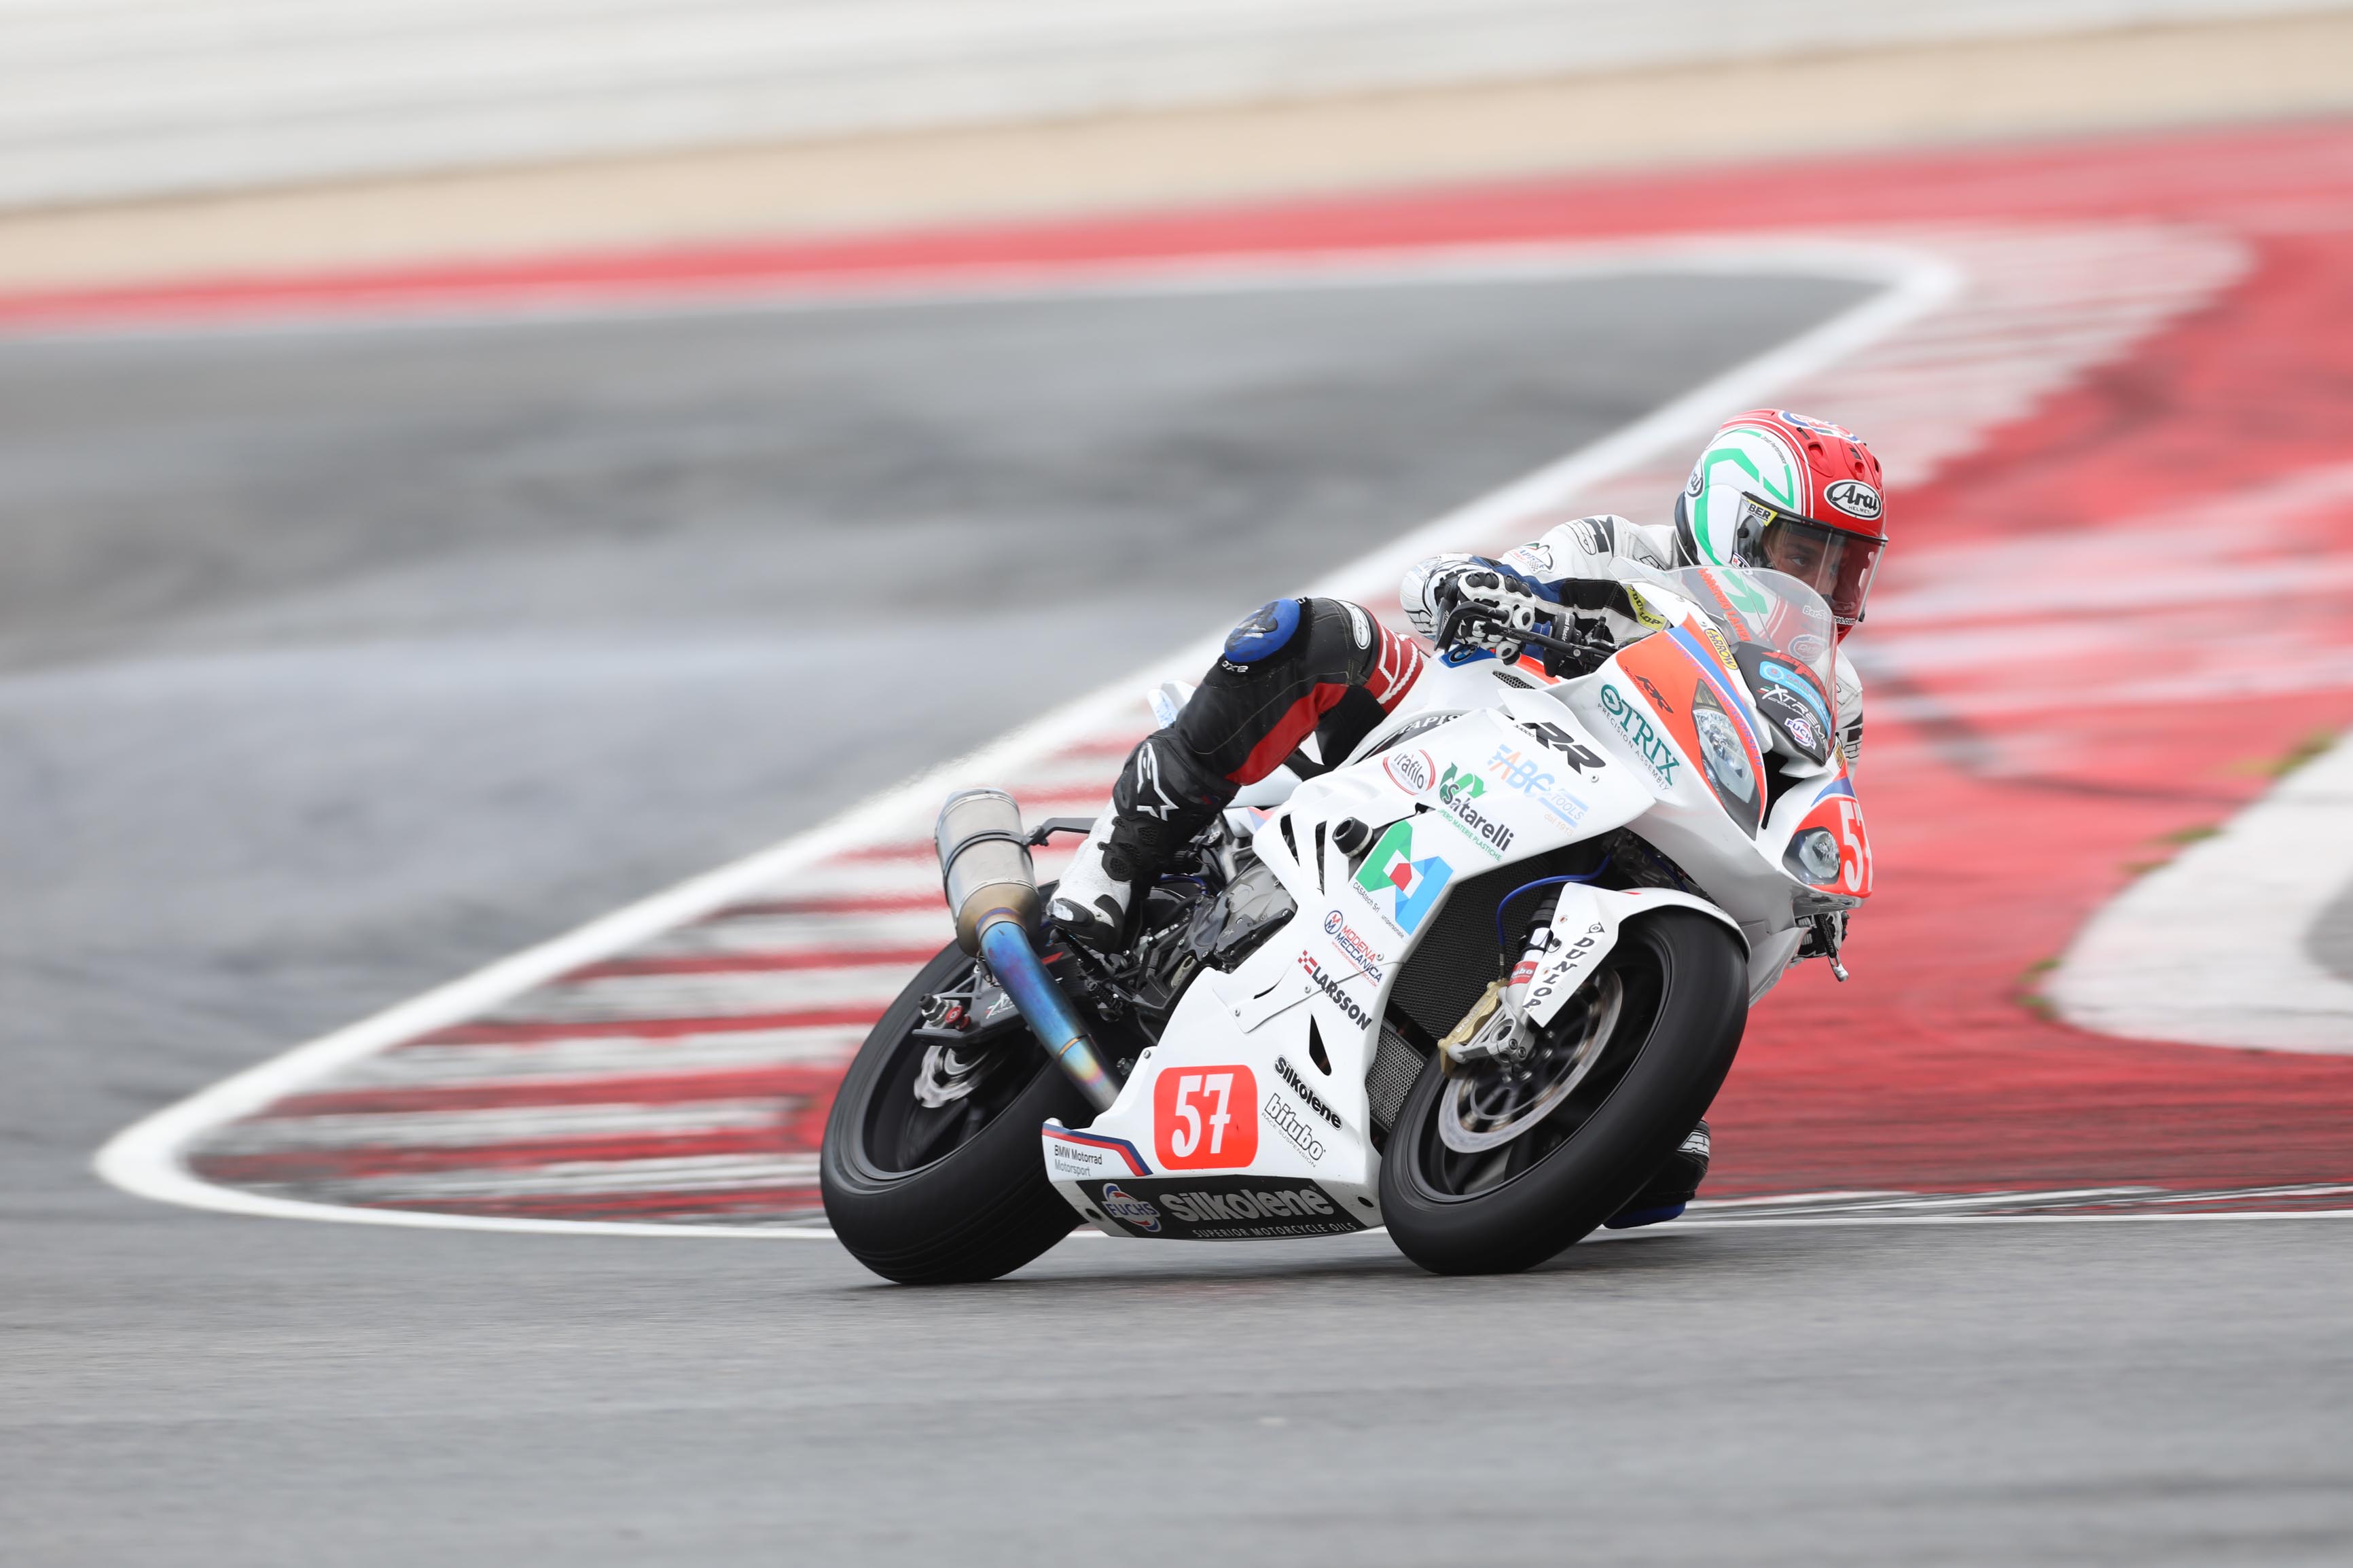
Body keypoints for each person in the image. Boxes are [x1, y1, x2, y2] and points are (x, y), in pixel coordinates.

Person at [1047, 409, 1889, 1222]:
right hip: (1480, 739)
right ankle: (1114, 868)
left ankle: (1598, 1056)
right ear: (1730, 523)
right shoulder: (1615, 550)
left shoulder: (1828, 689)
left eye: (1842, 566)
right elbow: (1460, 588)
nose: (1819, 584)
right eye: (1801, 552)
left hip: (1641, 820)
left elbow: (1814, 786)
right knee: (1313, 633)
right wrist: (1487, 593)